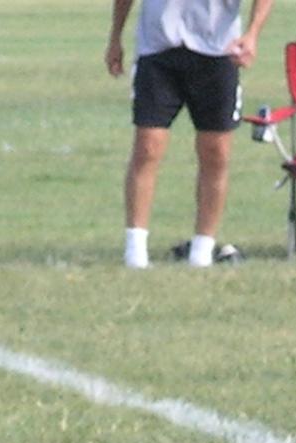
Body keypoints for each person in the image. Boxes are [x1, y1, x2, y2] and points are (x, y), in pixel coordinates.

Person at [106, 0, 274, 268]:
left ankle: (202, 250)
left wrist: (252, 33)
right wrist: (116, 36)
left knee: (216, 153)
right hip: (158, 47)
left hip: (218, 50)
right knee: (147, 147)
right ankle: (135, 251)